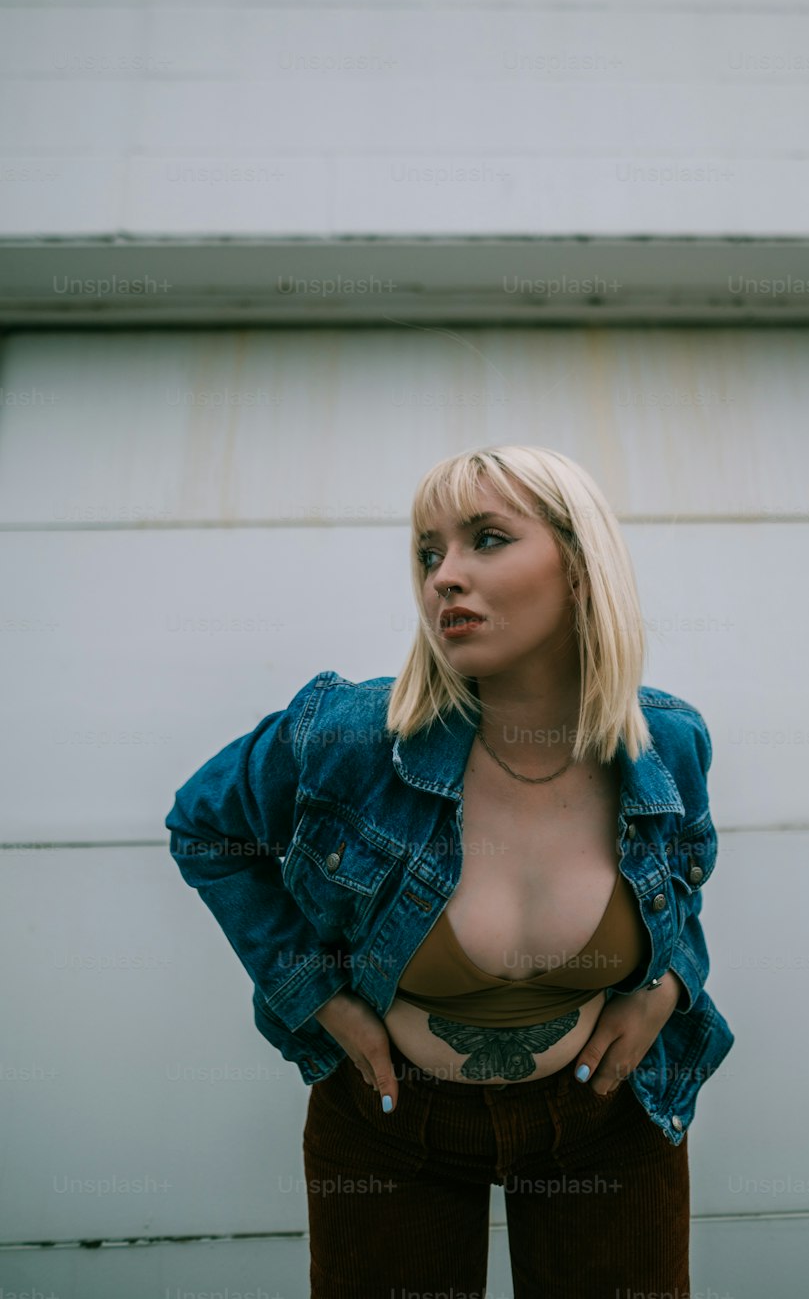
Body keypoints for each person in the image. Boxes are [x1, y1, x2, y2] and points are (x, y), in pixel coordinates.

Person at [166, 443, 734, 1299]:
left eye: (487, 540)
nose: (443, 577)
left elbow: (683, 882)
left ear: (581, 567)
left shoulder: (667, 743)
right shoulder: (349, 736)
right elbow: (205, 827)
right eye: (429, 552)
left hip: (608, 1118)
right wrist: (314, 994)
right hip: (393, 1125)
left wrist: (669, 984)